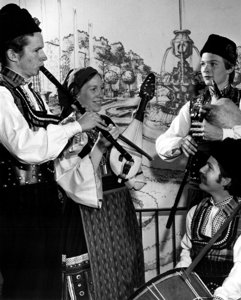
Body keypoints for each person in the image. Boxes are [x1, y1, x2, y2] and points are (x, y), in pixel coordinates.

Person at [0, 4, 107, 300]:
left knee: (47, 284)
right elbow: (25, 146)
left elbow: (47, 139)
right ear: (12, 54)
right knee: (27, 286)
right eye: (36, 50)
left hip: (41, 200)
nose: (44, 56)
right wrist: (75, 128)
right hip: (18, 205)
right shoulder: (2, 94)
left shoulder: (27, 91)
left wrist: (80, 131)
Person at [56, 67, 145, 299]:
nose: (100, 94)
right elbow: (69, 180)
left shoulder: (104, 121)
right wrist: (100, 148)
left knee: (120, 270)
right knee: (91, 276)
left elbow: (118, 165)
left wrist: (128, 168)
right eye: (93, 89)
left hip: (116, 210)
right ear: (75, 94)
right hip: (85, 212)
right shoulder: (66, 127)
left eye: (102, 88)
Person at [155, 34, 241, 207]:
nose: (206, 69)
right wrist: (180, 143)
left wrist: (223, 134)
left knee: (233, 233)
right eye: (203, 64)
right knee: (198, 233)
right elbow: (162, 143)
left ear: (230, 68)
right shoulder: (192, 105)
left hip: (232, 191)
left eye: (213, 64)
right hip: (198, 192)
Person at [175, 138, 241, 300]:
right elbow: (187, 254)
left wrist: (221, 297)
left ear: (226, 180)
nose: (202, 169)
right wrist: (178, 287)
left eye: (210, 167)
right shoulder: (195, 212)